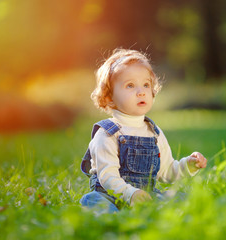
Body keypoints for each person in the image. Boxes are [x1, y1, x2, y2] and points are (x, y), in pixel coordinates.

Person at [80, 49, 207, 213]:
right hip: (112, 196)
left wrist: (188, 165)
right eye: (130, 85)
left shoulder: (153, 132)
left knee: (181, 197)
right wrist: (130, 194)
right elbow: (107, 177)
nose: (141, 91)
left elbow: (166, 172)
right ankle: (115, 219)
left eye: (146, 85)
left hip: (146, 197)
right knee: (93, 200)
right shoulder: (107, 133)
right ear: (109, 97)